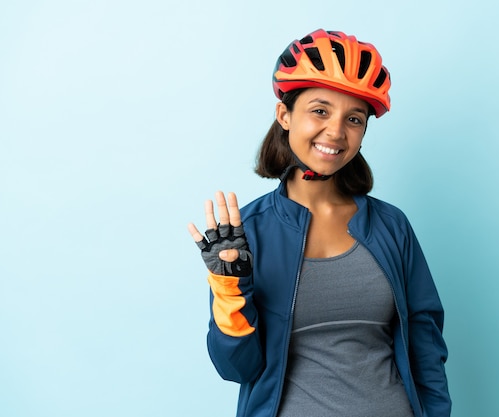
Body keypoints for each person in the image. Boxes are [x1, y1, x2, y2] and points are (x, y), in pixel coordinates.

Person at [187, 28, 451, 417]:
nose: (336, 132)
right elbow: (236, 368)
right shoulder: (249, 233)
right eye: (320, 110)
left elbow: (426, 347)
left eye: (355, 119)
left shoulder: (392, 226)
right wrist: (230, 292)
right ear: (285, 115)